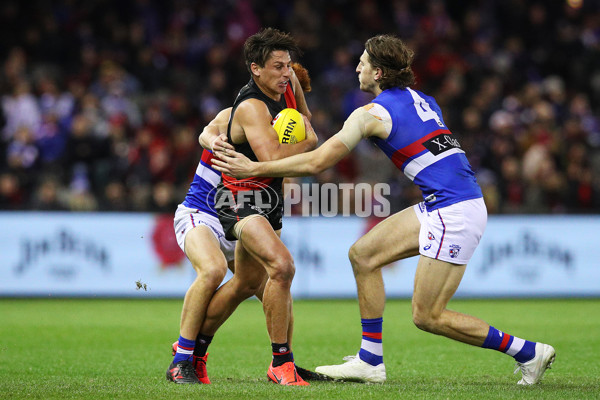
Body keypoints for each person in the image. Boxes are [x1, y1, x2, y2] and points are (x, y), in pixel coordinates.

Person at [211, 34, 556, 386]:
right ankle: (370, 360)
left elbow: (317, 163)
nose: (356, 67)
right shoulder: (424, 100)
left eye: (362, 62)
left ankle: (527, 352)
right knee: (364, 255)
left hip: (453, 210)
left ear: (377, 73)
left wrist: (251, 169)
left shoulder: (370, 115)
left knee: (428, 315)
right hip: (448, 201)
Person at [168, 27, 318, 387]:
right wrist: (310, 143)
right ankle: (182, 357)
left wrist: (304, 122)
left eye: (289, 66)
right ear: (256, 69)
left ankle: (277, 361)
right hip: (205, 207)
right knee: (215, 269)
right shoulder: (244, 108)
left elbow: (304, 121)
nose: (286, 73)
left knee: (257, 281)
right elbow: (214, 132)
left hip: (251, 204)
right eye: (279, 67)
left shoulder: (288, 92)